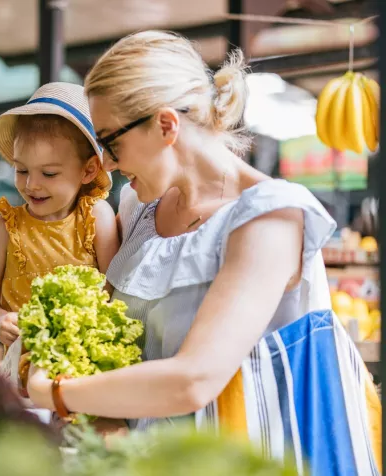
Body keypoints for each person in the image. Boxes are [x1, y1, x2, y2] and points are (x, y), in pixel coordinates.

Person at [27, 31, 381, 474]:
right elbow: (121, 343)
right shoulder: (138, 209)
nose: (108, 164)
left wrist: (53, 391)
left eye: (111, 143)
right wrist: (106, 413)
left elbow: (194, 379)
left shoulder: (271, 216)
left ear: (165, 125)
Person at [0, 82, 118, 348]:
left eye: (49, 173)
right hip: (21, 364)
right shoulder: (4, 229)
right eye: (21, 170)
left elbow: (114, 291)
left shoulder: (97, 217)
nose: (31, 185)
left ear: (87, 170)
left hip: (80, 359)